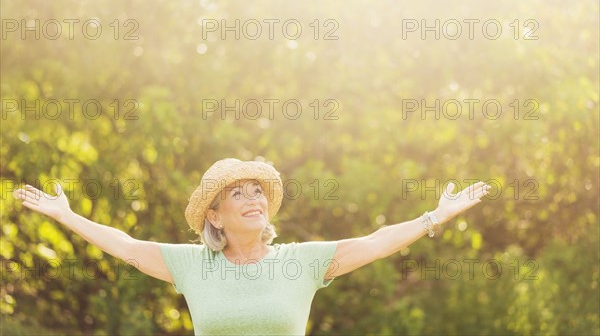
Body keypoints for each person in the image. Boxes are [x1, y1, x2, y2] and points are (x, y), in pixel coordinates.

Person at [14, 158, 491, 335]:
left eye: (257, 191)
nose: (253, 198)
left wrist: (435, 216)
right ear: (214, 217)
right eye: (236, 193)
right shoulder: (193, 266)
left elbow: (375, 241)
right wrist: (67, 216)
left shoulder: (301, 263)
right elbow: (126, 245)